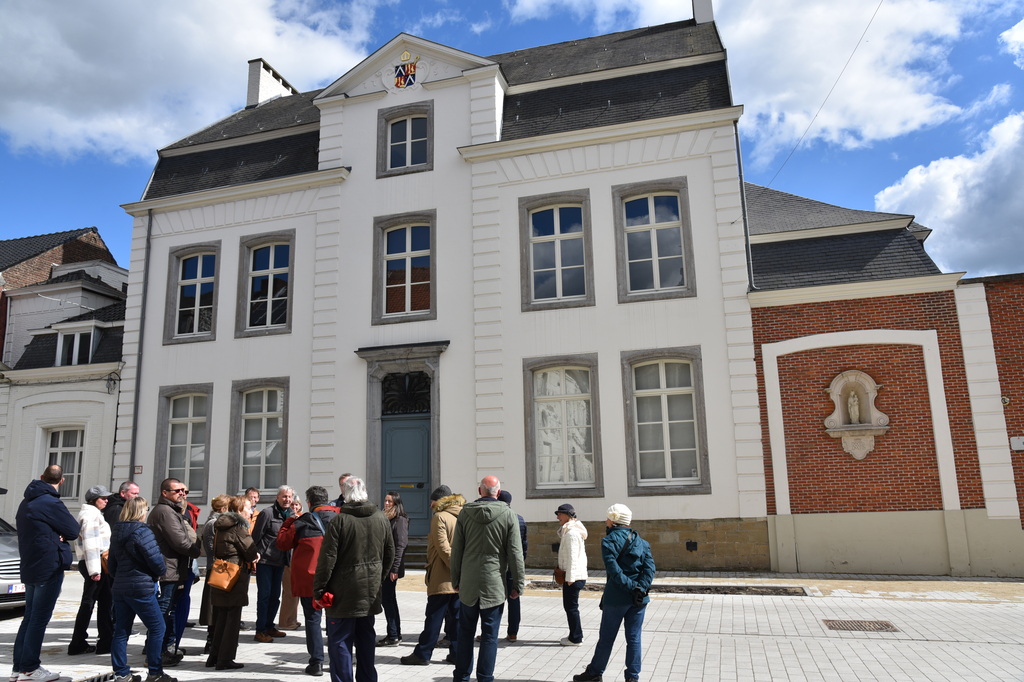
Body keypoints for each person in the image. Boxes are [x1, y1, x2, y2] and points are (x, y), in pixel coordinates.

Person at [313, 476, 395, 682]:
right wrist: (378, 577)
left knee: (340, 641)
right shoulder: (380, 517)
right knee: (366, 638)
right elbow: (389, 554)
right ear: (364, 491)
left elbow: (327, 558)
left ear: (345, 494)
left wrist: (319, 588)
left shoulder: (340, 520)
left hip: (343, 592)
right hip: (369, 590)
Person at [450, 475, 525, 682]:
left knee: (465, 632)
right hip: (494, 583)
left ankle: (461, 677)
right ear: (498, 493)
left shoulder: (465, 514)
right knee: (490, 636)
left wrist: (455, 578)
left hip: (469, 582)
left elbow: (457, 550)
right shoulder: (509, 515)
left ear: (479, 491)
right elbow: (515, 553)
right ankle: (485, 678)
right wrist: (518, 583)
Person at [12, 465, 80, 682]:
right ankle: (30, 668)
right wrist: (58, 534)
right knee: (38, 619)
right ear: (62, 480)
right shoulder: (51, 502)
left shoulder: (27, 501)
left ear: (42, 478)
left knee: (30, 618)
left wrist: (53, 533)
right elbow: (73, 531)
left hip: (31, 565)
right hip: (48, 566)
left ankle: (19, 669)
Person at [572, 504, 655, 682]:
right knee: (634, 639)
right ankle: (632, 677)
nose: (605, 521)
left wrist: (632, 587)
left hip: (616, 598)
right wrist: (640, 588)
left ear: (614, 520)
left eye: (608, 518)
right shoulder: (642, 543)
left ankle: (595, 673)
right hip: (639, 599)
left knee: (607, 638)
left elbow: (614, 571)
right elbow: (650, 569)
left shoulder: (608, 541)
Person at [108, 496, 174, 682]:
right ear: (141, 512)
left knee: (121, 631)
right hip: (141, 586)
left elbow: (112, 565)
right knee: (157, 627)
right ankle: (155, 672)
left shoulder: (117, 531)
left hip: (120, 586)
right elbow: (157, 563)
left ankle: (121, 674)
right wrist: (159, 571)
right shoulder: (142, 531)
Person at [277, 486, 339, 677]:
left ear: (309, 502)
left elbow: (282, 543)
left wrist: (289, 520)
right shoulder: (341, 518)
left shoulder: (302, 522)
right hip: (338, 578)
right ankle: (340, 659)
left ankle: (317, 663)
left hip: (310, 579)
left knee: (313, 620)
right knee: (338, 620)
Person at [400, 486, 463, 667]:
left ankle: (422, 653)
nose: (429, 505)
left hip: (442, 577)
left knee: (434, 617)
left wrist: (455, 568)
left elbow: (443, 548)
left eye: (432, 501)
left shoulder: (439, 517)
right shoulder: (464, 515)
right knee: (456, 619)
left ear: (440, 501)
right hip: (460, 579)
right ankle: (457, 654)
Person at [147, 478, 201, 666]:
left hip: (174, 568)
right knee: (163, 611)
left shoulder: (172, 510)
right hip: (167, 568)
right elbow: (179, 541)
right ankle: (156, 654)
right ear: (165, 493)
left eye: (184, 491)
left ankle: (165, 649)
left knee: (168, 611)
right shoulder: (164, 512)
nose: (182, 494)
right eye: (178, 491)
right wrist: (196, 551)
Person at [206, 495, 258, 671]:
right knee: (232, 619)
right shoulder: (238, 527)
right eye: (249, 508)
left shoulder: (220, 524)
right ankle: (225, 659)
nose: (251, 511)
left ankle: (214, 656)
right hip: (235, 573)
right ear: (239, 509)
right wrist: (255, 555)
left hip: (222, 570)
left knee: (221, 616)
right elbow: (250, 552)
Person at [69, 484, 114, 656]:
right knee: (89, 603)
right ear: (94, 500)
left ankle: (104, 642)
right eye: (103, 498)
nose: (106, 500)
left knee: (103, 602)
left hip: (96, 563)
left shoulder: (93, 514)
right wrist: (95, 570)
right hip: (95, 563)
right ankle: (78, 642)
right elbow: (90, 543)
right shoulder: (90, 515)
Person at [251, 485, 295, 642]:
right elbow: (256, 537)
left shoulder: (291, 514)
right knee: (265, 596)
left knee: (275, 596)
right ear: (277, 497)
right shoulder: (267, 513)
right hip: (266, 560)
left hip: (281, 561)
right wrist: (253, 558)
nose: (287, 499)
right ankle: (260, 630)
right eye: (284, 496)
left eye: (289, 497)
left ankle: (270, 626)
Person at [199, 494, 231, 650]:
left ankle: (215, 640)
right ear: (224, 508)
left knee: (218, 606)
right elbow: (214, 548)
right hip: (217, 568)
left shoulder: (216, 522)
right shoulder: (214, 523)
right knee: (214, 607)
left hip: (219, 567)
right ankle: (212, 641)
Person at [377, 491, 409, 646]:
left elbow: (401, 545)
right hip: (384, 566)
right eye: (386, 501)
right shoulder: (384, 518)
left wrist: (395, 568)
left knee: (388, 601)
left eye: (390, 501)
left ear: (396, 503)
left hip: (391, 568)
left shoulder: (400, 520)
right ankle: (395, 633)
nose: (387, 504)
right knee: (389, 600)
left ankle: (393, 635)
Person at [495, 489, 527, 643]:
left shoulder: (497, 518)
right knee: (514, 599)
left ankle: (491, 631)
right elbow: (524, 546)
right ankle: (513, 632)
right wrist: (520, 566)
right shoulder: (520, 519)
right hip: (514, 565)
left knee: (496, 600)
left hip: (499, 566)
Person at [555, 503, 588, 646]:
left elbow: (573, 557)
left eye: (560, 514)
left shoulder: (572, 533)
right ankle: (575, 635)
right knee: (571, 607)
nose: (557, 517)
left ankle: (575, 638)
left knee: (571, 607)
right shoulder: (570, 531)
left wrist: (570, 578)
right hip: (574, 576)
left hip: (574, 577)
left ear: (568, 515)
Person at [172, 490, 201, 650]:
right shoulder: (180, 521)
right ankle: (172, 644)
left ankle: (171, 643)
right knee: (176, 606)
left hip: (180, 568)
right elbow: (191, 542)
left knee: (174, 606)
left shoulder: (180, 518)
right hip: (180, 569)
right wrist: (196, 551)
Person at [278, 499, 305, 631]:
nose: (294, 506)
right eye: (292, 504)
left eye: (297, 504)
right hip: (288, 560)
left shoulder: (302, 519)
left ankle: (292, 619)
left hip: (296, 559)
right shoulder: (288, 519)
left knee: (295, 592)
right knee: (288, 591)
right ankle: (285, 621)